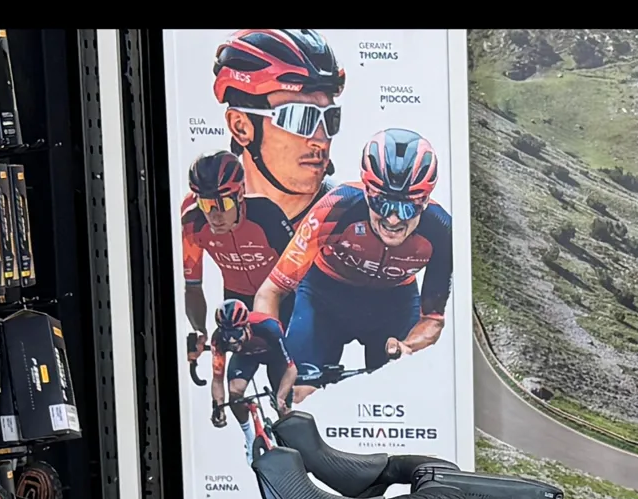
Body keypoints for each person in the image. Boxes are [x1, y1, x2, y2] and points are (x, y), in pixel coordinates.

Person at [254, 129, 453, 401]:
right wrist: (279, 358)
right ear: (367, 191)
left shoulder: (442, 230)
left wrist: (408, 346)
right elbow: (270, 291)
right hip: (324, 298)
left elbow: (432, 320)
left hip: (394, 305)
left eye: (407, 208)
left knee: (398, 397)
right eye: (381, 202)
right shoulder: (338, 207)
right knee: (296, 394)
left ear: (426, 201)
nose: (393, 220)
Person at [212, 29, 345, 229]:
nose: (321, 139)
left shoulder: (352, 220)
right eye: (299, 118)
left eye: (330, 118)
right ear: (241, 127)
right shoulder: (203, 219)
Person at [180, 151, 293, 367]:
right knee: (238, 376)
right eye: (206, 205)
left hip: (282, 297)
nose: (215, 216)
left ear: (240, 194)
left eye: (224, 204)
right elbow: (192, 286)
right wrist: (199, 330)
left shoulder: (266, 215)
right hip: (238, 301)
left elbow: (302, 271)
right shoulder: (193, 223)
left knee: (284, 369)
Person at [207, 297, 295, 434]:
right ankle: (249, 438)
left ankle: (288, 439)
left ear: (247, 326)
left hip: (274, 358)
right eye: (227, 334)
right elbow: (218, 379)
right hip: (246, 356)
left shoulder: (269, 328)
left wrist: (281, 397)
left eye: (236, 333)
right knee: (235, 393)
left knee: (282, 406)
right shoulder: (218, 339)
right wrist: (218, 407)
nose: (231, 340)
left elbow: (291, 369)